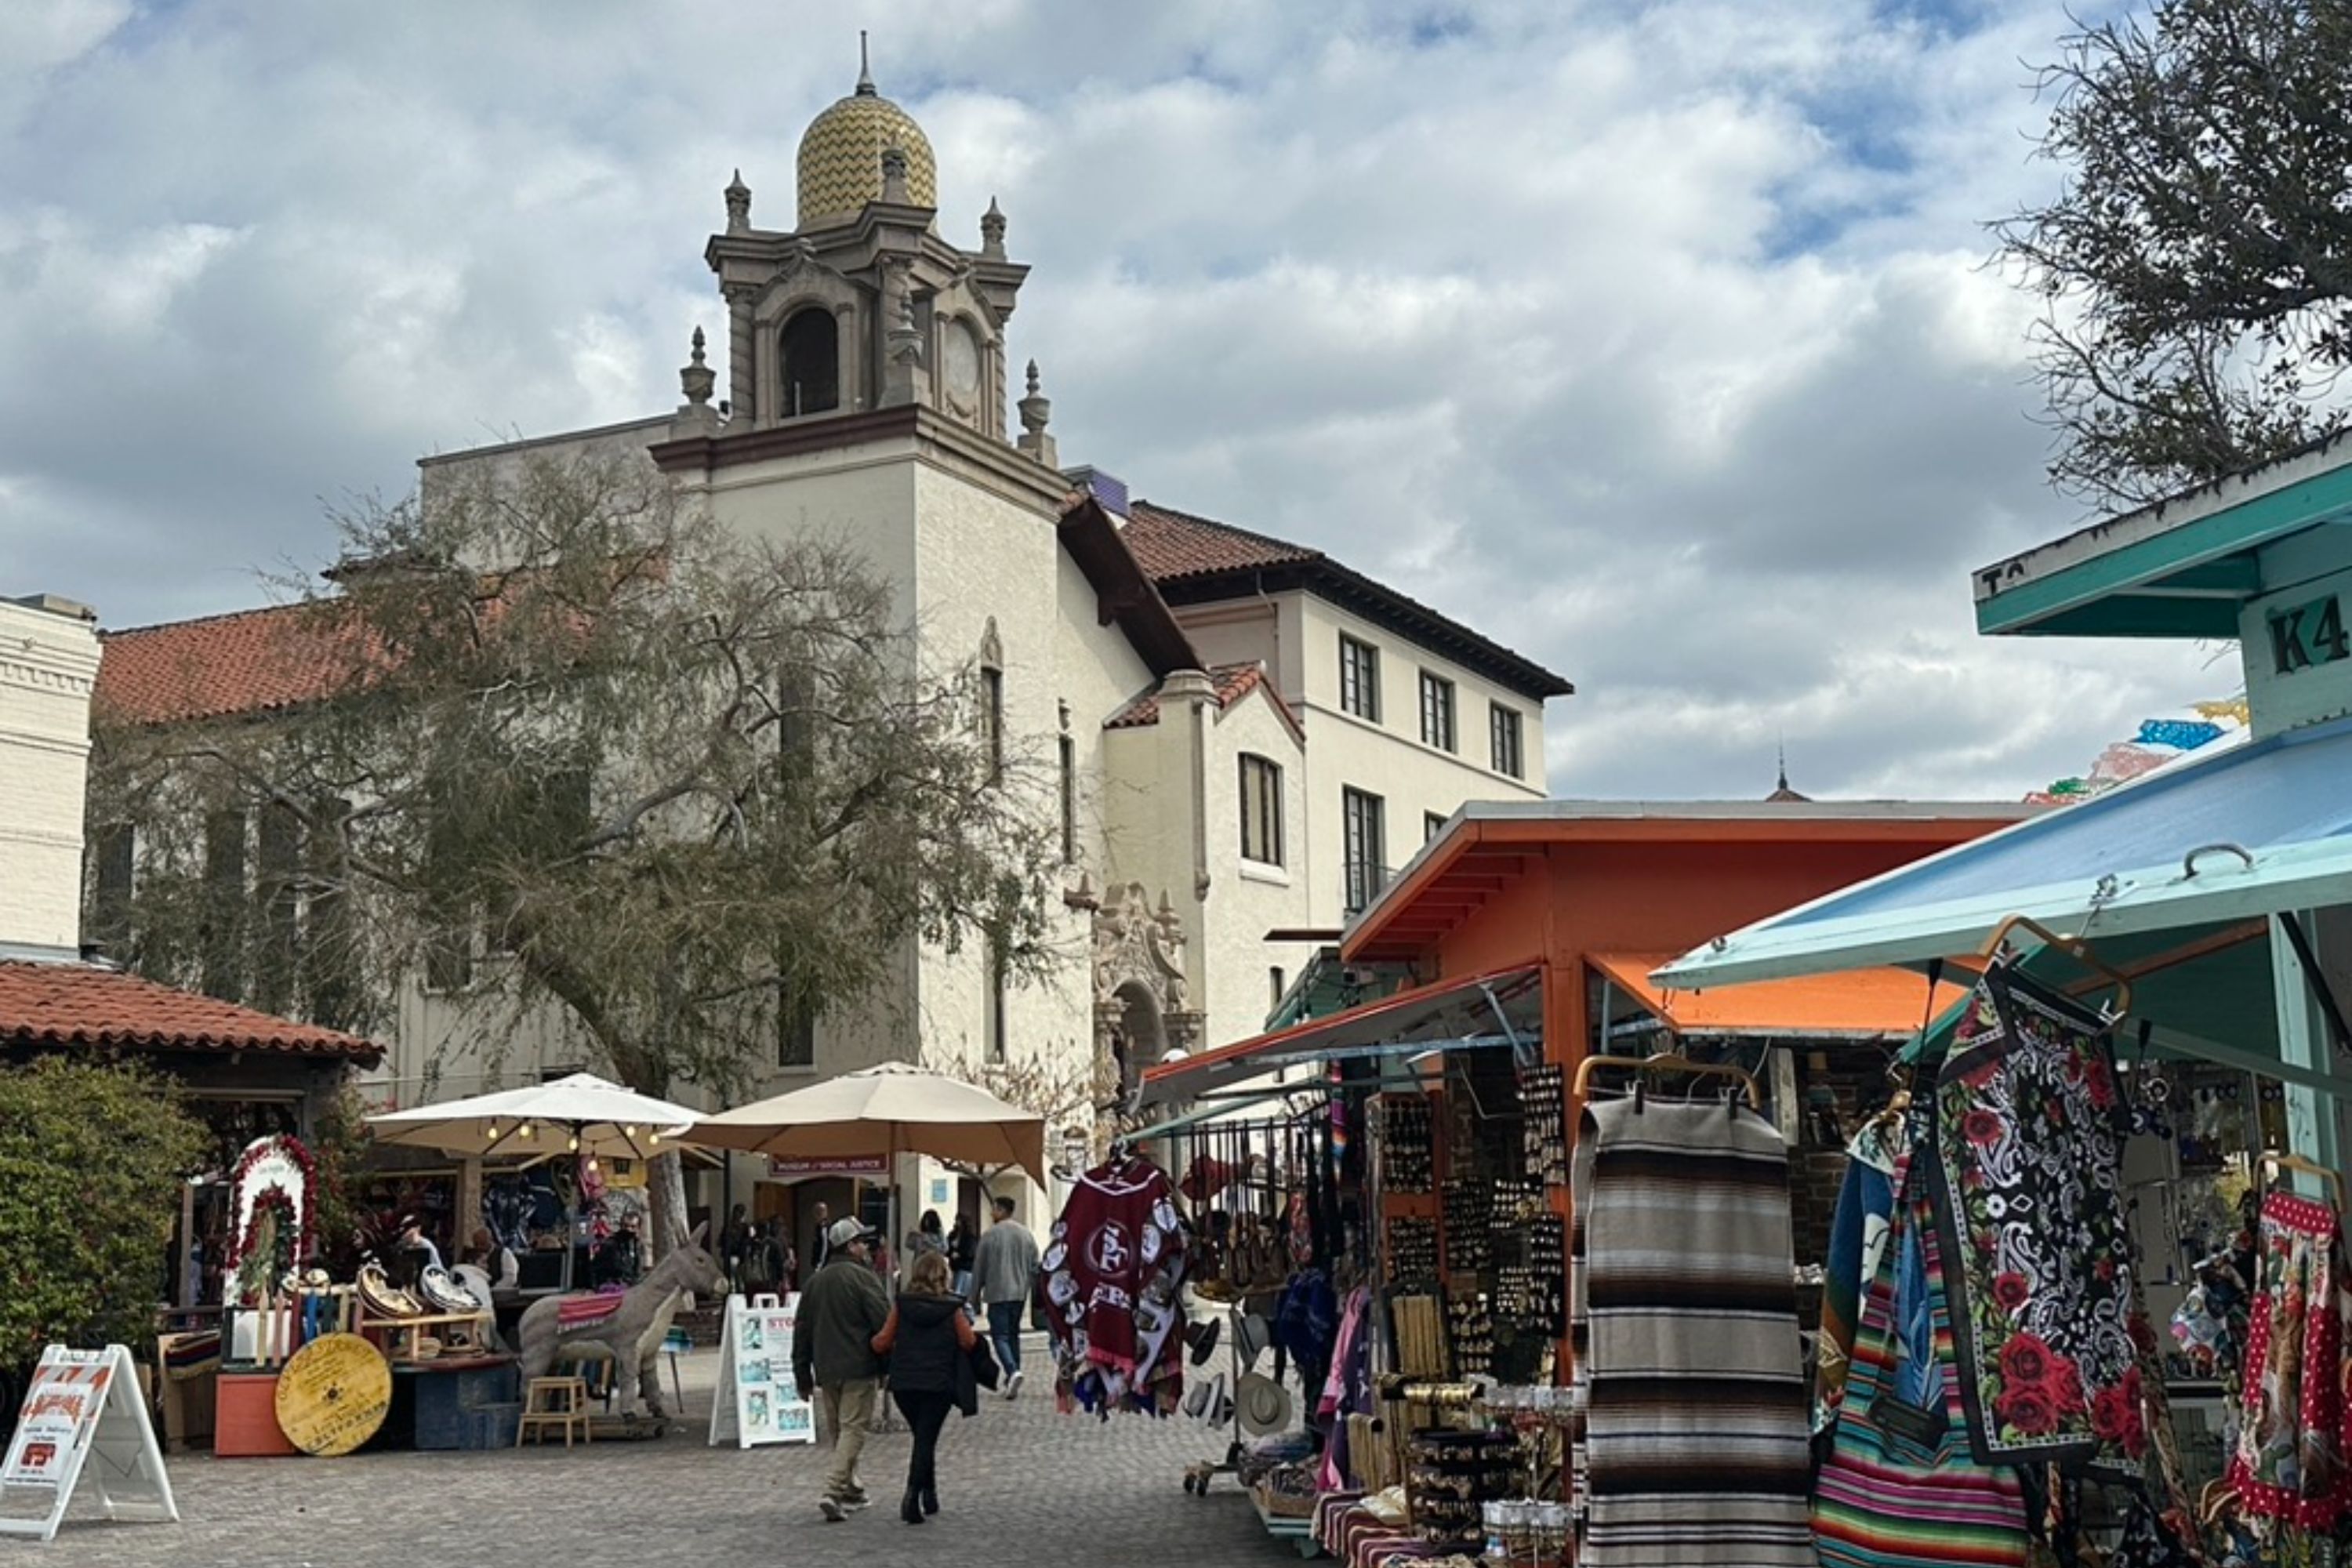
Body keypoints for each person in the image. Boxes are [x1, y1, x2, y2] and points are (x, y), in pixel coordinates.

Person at [793, 1218, 890, 1522]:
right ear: (850, 1246)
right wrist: (887, 1367)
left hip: (825, 1368)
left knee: (839, 1431)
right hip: (858, 1367)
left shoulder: (814, 1282)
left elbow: (801, 1332)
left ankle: (852, 1488)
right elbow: (883, 1324)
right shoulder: (863, 1279)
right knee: (853, 1430)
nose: (867, 1248)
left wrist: (802, 1374)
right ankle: (833, 1490)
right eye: (863, 1242)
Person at [872, 1249, 978, 1525]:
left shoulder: (902, 1305)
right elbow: (968, 1341)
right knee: (925, 1438)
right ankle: (912, 1495)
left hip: (905, 1384)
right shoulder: (952, 1308)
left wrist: (873, 1344)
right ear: (944, 1275)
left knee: (923, 1436)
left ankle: (930, 1494)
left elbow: (882, 1342)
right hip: (937, 1383)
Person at [971, 1195, 1040, 1399]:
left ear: (1001, 1210)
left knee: (1000, 1336)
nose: (991, 1213)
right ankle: (1013, 1377)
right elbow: (1035, 1265)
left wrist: (972, 1297)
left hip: (997, 1292)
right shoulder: (1026, 1234)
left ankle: (1012, 1370)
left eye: (993, 1209)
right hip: (1019, 1293)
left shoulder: (990, 1235)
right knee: (1013, 1335)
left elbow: (979, 1268)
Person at [948, 1212, 978, 1301]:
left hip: (965, 1267)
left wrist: (960, 1254)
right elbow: (947, 1248)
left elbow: (971, 1252)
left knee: (960, 1292)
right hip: (954, 1266)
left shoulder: (970, 1237)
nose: (957, 1223)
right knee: (954, 1291)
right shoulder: (953, 1235)